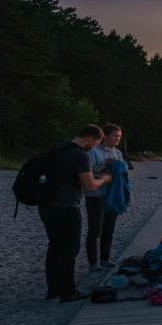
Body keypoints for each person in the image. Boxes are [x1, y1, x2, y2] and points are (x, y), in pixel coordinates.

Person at [41, 125, 111, 303]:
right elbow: (89, 185)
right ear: (89, 138)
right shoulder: (79, 155)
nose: (95, 146)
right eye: (96, 142)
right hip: (66, 207)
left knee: (54, 247)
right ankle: (68, 292)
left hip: (46, 206)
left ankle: (53, 290)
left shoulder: (58, 148)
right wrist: (104, 179)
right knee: (69, 250)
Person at [84, 123, 124, 271]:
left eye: (119, 136)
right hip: (95, 194)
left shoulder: (118, 153)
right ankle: (93, 263)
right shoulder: (93, 152)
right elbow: (87, 171)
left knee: (109, 229)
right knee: (95, 230)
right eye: (115, 135)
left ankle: (105, 259)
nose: (117, 138)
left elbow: (123, 170)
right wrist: (106, 167)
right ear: (105, 136)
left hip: (112, 195)